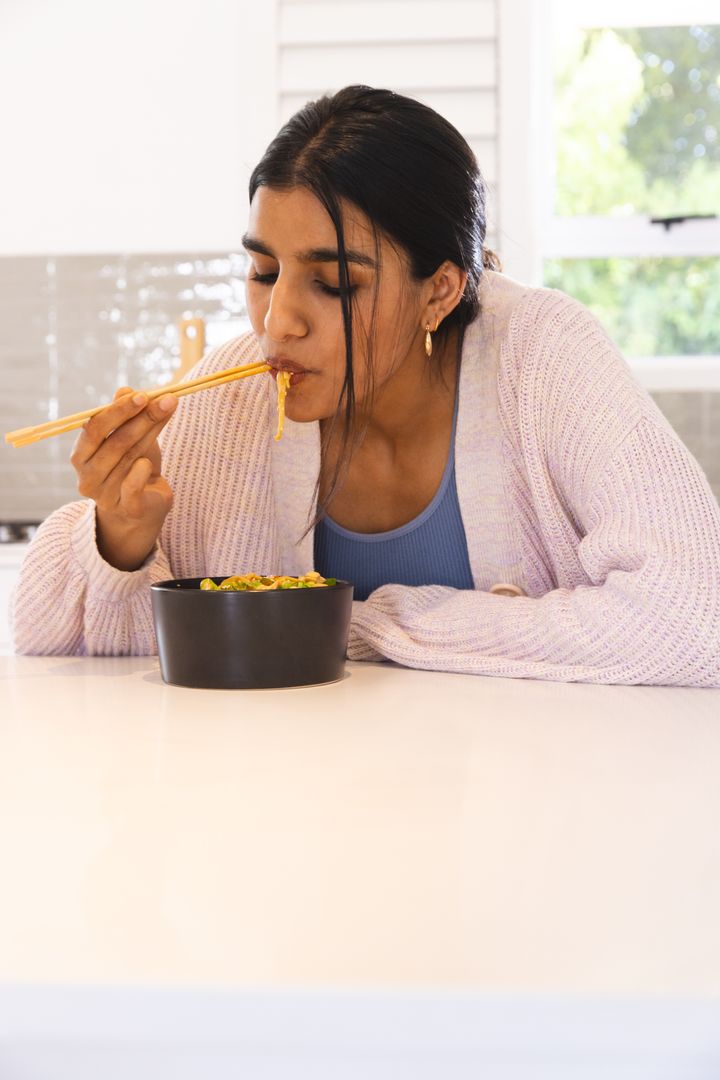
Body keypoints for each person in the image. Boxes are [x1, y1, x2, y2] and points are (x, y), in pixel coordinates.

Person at [10, 85, 720, 685]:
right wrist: (120, 542)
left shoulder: (542, 357)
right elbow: (54, 641)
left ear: (439, 290)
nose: (279, 321)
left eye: (334, 283)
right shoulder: (233, 399)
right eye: (264, 273)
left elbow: (695, 614)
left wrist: (372, 625)